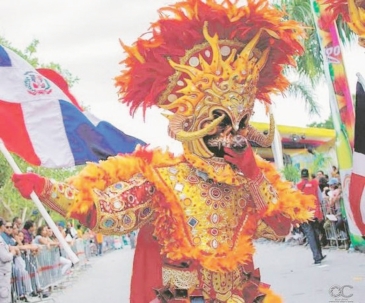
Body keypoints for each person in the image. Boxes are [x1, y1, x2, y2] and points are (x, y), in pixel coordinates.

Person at [11, 1, 316, 301]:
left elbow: (281, 226)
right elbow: (107, 213)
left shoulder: (250, 181)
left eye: (240, 123)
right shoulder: (164, 179)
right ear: (191, 123)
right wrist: (46, 187)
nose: (230, 134)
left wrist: (251, 172)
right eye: (220, 121)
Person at [297, 169, 326, 265]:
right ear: (308, 176)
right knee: (316, 233)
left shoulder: (298, 186)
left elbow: (295, 201)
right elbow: (321, 198)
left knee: (310, 235)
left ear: (301, 176)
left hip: (305, 214)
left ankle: (317, 257)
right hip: (315, 213)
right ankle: (320, 255)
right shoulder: (314, 184)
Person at [0, 217, 19, 303]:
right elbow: (4, 257)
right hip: (2, 274)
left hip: (4, 273)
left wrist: (11, 248)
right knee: (4, 296)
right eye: (5, 226)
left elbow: (6, 247)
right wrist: (12, 253)